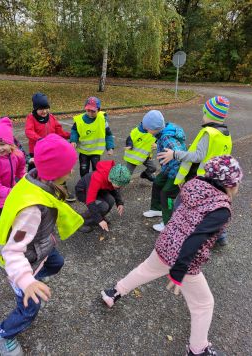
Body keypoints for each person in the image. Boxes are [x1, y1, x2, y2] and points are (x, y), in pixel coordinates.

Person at [101, 155, 243, 356]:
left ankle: (113, 292)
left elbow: (177, 208)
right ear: (229, 183)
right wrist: (178, 271)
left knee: (145, 270)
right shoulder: (221, 209)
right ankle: (198, 349)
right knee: (203, 304)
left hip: (166, 243)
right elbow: (196, 238)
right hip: (184, 259)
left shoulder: (195, 184)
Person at [0, 134, 84, 356]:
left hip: (40, 248)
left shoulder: (36, 179)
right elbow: (13, 251)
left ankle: (33, 278)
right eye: (68, 168)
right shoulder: (32, 210)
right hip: (21, 260)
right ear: (53, 172)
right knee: (29, 309)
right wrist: (26, 281)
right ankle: (3, 334)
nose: (71, 172)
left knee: (57, 262)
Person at [158, 96, 232, 244]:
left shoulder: (208, 133)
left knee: (180, 205)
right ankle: (221, 236)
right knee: (211, 209)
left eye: (204, 113)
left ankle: (177, 234)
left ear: (210, 115)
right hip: (216, 181)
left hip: (200, 181)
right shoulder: (226, 135)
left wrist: (174, 154)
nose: (203, 117)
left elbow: (197, 156)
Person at [138, 110, 186, 232]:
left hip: (178, 171)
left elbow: (180, 156)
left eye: (148, 129)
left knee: (167, 194)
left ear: (154, 128)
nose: (147, 132)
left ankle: (168, 223)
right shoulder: (162, 131)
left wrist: (179, 177)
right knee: (157, 182)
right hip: (169, 168)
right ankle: (157, 208)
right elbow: (148, 129)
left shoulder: (167, 138)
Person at [0, 118, 26, 252]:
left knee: (11, 217)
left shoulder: (16, 155)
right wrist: (11, 192)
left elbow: (20, 169)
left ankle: (9, 237)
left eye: (2, 144)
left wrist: (25, 179)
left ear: (10, 143)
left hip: (10, 192)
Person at [25, 92, 75, 202]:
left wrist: (71, 136)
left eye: (46, 108)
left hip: (52, 151)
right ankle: (33, 191)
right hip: (37, 151)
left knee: (59, 170)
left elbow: (58, 130)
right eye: (41, 109)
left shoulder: (51, 117)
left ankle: (61, 189)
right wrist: (40, 139)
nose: (44, 111)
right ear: (35, 109)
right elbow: (29, 131)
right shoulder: (31, 118)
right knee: (35, 172)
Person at [75, 160, 131, 233]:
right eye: (119, 185)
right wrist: (99, 220)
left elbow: (114, 189)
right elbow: (90, 202)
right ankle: (79, 222)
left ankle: (97, 218)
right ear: (112, 179)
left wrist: (119, 202)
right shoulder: (97, 178)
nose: (120, 187)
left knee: (111, 200)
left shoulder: (112, 176)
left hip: (99, 190)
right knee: (103, 206)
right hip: (83, 191)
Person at [70, 96, 115, 177]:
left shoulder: (102, 120)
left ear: (98, 110)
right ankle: (84, 185)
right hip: (84, 152)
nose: (90, 113)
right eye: (88, 110)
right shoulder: (79, 120)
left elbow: (108, 134)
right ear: (85, 108)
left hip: (95, 152)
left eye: (93, 111)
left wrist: (110, 147)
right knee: (83, 171)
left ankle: (95, 184)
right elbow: (74, 131)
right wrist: (73, 140)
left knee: (96, 170)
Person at [123, 118, 157, 182]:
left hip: (145, 157)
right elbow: (129, 138)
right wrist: (129, 145)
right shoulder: (136, 131)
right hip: (133, 157)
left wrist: (157, 145)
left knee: (153, 168)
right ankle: (116, 186)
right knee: (127, 175)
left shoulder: (154, 132)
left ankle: (146, 174)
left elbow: (157, 140)